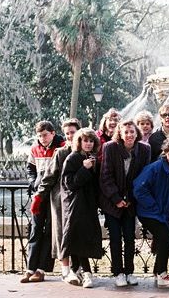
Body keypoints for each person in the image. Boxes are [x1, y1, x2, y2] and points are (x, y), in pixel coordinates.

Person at [99, 120, 151, 287]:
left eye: (131, 132)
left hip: (131, 202)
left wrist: (129, 199)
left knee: (129, 237)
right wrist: (116, 199)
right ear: (120, 134)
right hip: (111, 201)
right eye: (125, 132)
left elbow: (144, 176)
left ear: (137, 133)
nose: (129, 135)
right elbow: (105, 176)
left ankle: (129, 271)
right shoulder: (110, 147)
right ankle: (118, 272)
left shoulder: (144, 149)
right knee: (115, 238)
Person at [133, 138, 169, 288]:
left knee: (162, 236)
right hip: (148, 212)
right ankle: (162, 275)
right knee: (164, 235)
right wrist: (154, 206)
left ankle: (156, 272)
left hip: (163, 214)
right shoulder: (155, 168)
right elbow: (139, 189)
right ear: (165, 154)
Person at [32, 118, 81, 283]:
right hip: (59, 199)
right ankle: (65, 271)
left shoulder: (87, 150)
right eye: (66, 133)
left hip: (79, 199)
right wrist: (38, 196)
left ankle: (79, 269)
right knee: (60, 233)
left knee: (77, 233)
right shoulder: (60, 152)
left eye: (72, 133)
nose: (69, 136)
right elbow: (48, 177)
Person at [21, 121, 65, 283]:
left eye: (45, 135)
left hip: (54, 195)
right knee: (35, 229)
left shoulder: (61, 146)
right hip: (39, 194)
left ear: (53, 133)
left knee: (49, 232)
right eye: (39, 135)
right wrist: (33, 183)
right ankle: (30, 268)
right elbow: (29, 169)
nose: (42, 138)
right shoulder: (34, 148)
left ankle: (41, 269)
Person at [60, 128, 104, 288]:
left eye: (91, 141)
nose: (88, 143)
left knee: (82, 236)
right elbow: (70, 183)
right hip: (75, 204)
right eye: (85, 140)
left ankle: (76, 269)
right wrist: (84, 169)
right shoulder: (72, 158)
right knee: (75, 236)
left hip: (89, 204)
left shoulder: (92, 158)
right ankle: (85, 272)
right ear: (79, 142)